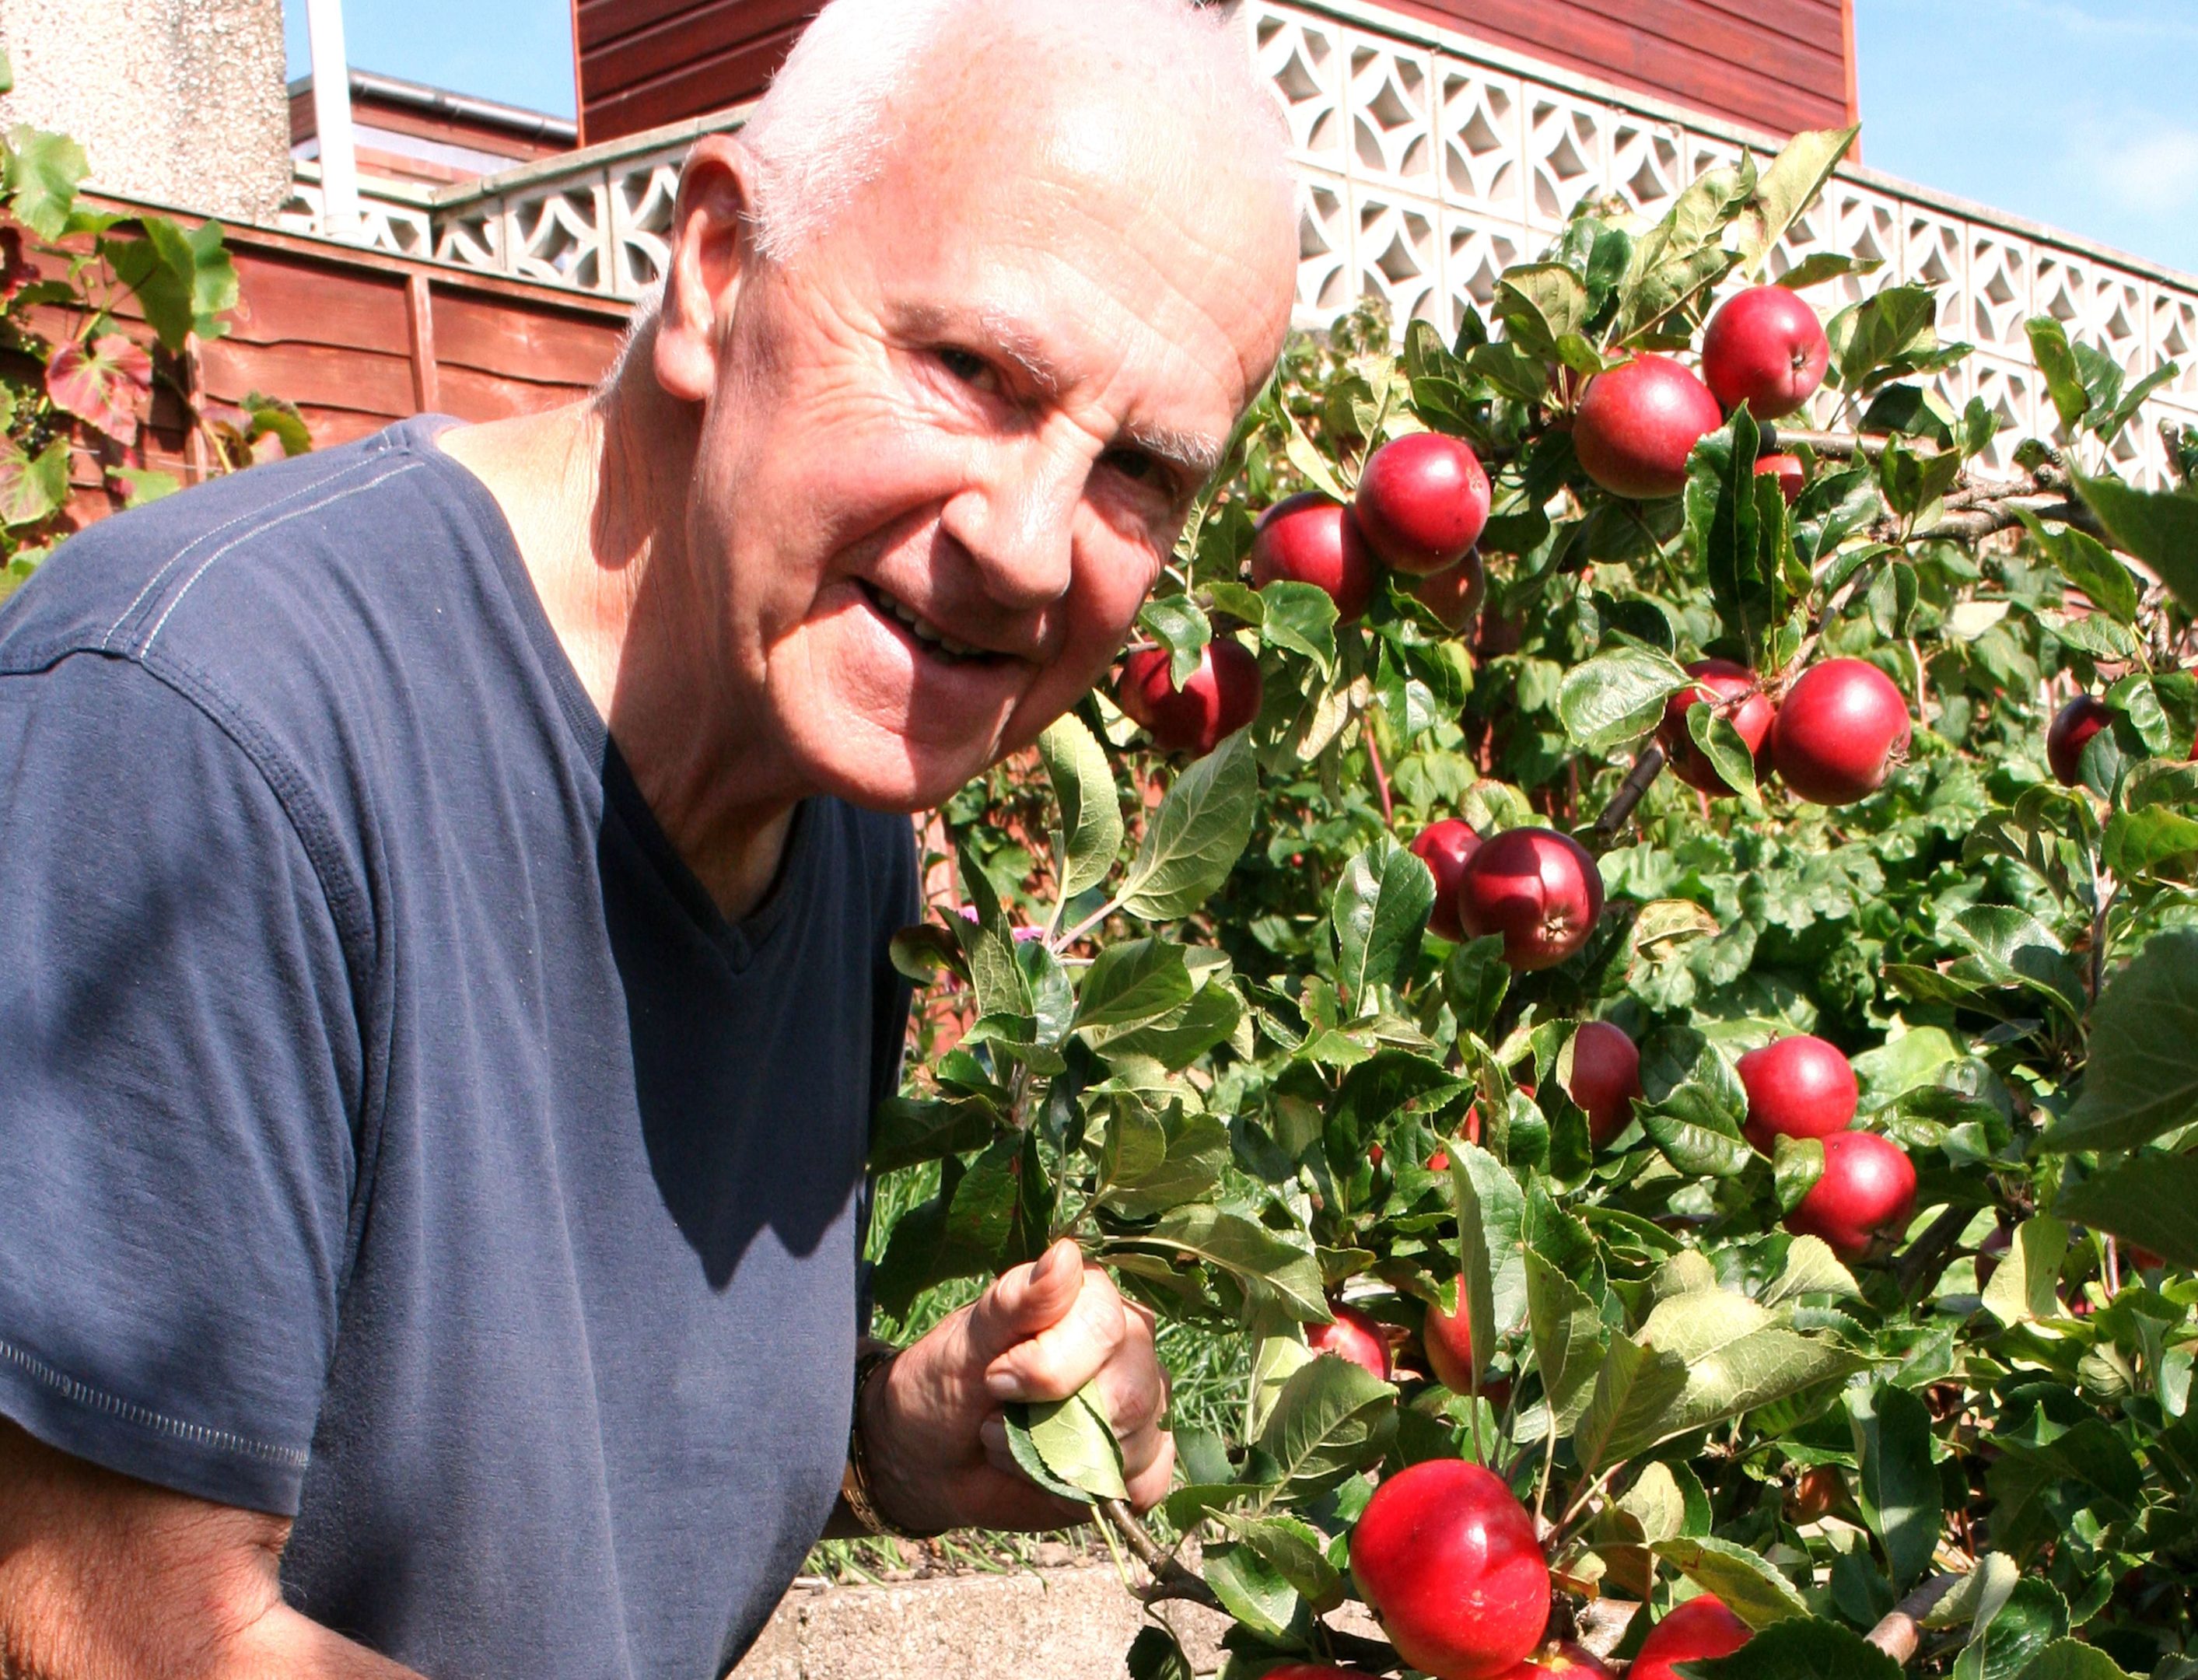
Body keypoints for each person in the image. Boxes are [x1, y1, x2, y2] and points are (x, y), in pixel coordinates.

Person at [0, 0, 1297, 1673]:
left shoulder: (837, 817)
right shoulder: (207, 729)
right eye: (970, 370)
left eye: (1140, 471)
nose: (1035, 548)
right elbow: (108, 1626)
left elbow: (555, 1508)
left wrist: (895, 1442)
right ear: (711, 269)